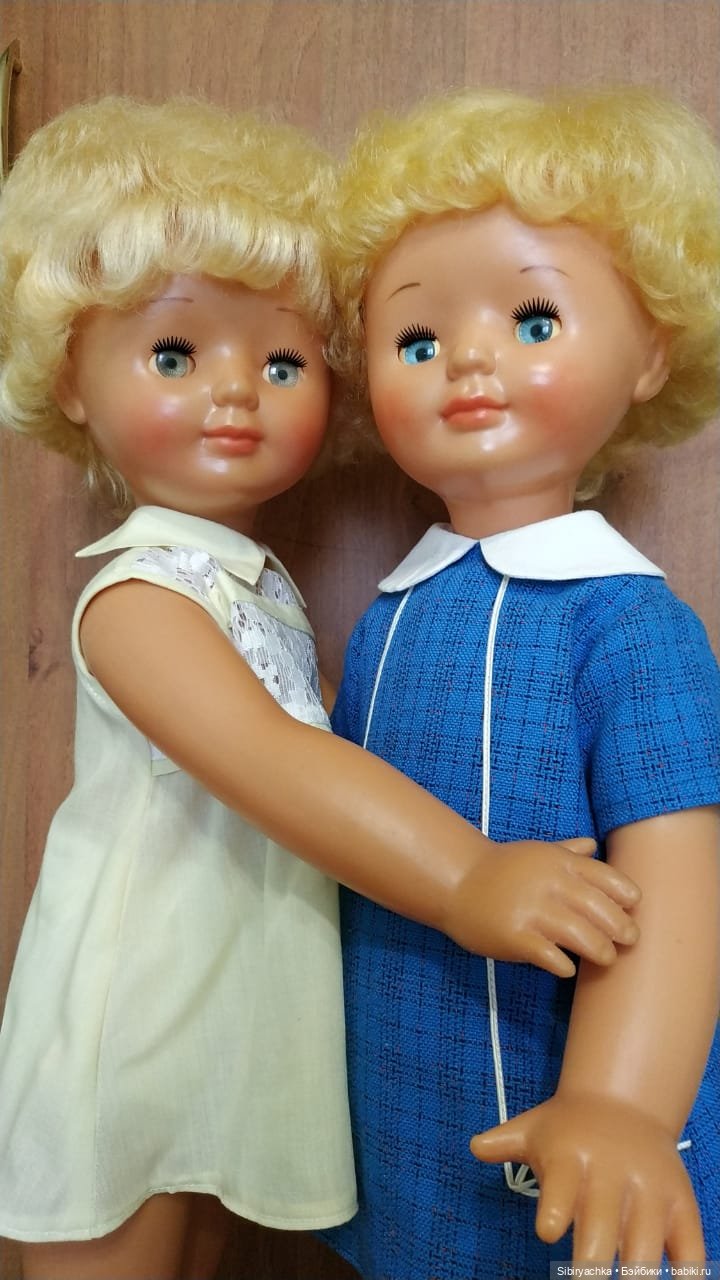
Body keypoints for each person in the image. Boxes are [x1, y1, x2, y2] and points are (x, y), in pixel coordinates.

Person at [0, 97, 642, 1280]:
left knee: (204, 1248)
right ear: (71, 380)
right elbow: (276, 759)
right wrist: (465, 873)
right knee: (115, 1235)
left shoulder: (266, 593)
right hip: (136, 1007)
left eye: (283, 361)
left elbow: (353, 745)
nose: (236, 391)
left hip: (237, 1006)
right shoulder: (138, 594)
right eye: (175, 354)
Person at [320, 86, 720, 1278]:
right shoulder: (388, 616)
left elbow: (676, 876)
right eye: (417, 340)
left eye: (534, 319)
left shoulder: (626, 622)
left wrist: (621, 1099)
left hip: (575, 1125)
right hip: (402, 1100)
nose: (469, 361)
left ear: (651, 351)